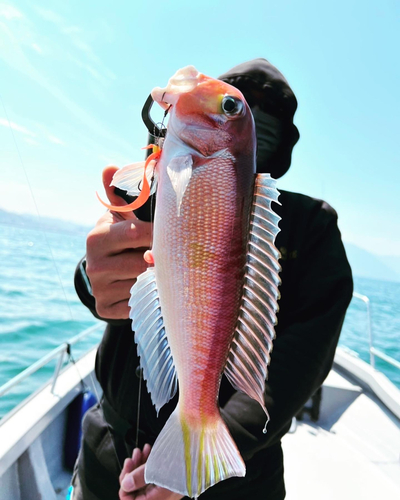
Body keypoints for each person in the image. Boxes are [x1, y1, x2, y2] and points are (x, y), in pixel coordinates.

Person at [72, 58, 353, 500]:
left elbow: (304, 358)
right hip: (111, 454)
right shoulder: (154, 184)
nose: (254, 116)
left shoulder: (310, 227)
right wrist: (93, 280)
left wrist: (202, 457)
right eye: (239, 101)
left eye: (267, 119)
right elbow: (101, 275)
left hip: (234, 476)